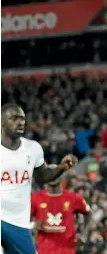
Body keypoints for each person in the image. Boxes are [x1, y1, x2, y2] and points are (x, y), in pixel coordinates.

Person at [1, 103, 77, 254]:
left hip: (18, 222)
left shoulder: (32, 148)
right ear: (2, 121)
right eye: (14, 118)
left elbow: (42, 177)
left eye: (22, 119)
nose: (21, 122)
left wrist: (61, 168)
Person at [31, 169, 91, 254]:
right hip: (44, 248)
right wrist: (33, 229)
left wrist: (84, 234)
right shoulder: (36, 198)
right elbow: (26, 221)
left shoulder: (74, 198)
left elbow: (88, 213)